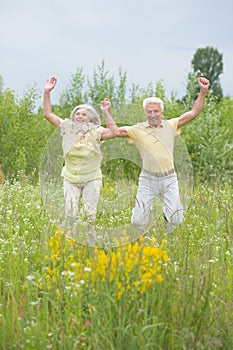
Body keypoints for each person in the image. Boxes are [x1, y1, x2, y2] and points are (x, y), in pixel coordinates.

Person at [100, 77, 210, 233]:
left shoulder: (171, 125)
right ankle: (147, 214)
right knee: (138, 221)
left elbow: (193, 113)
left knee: (176, 219)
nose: (153, 115)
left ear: (161, 112)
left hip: (169, 179)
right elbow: (116, 131)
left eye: (156, 111)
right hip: (148, 180)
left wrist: (203, 91)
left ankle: (167, 216)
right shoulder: (137, 130)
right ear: (145, 112)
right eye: (149, 111)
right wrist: (106, 112)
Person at [43, 76, 115, 243]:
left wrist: (106, 113)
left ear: (90, 118)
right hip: (70, 179)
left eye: (84, 114)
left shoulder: (96, 131)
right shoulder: (66, 128)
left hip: (91, 179)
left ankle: (91, 243)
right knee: (71, 215)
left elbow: (114, 132)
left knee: (89, 215)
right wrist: (47, 92)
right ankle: (72, 244)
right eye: (77, 114)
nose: (80, 116)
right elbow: (48, 114)